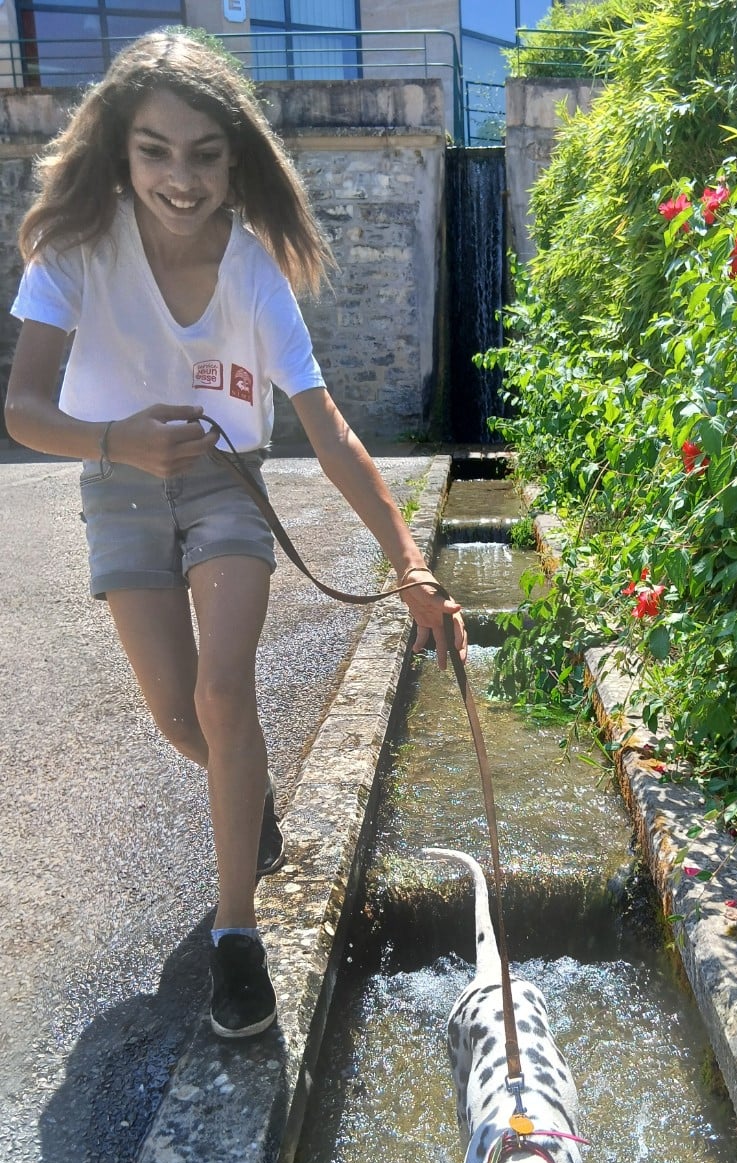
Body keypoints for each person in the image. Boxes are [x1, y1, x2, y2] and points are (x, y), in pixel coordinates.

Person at [5, 27, 466, 1041]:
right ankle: (246, 803)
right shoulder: (77, 247)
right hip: (119, 486)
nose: (182, 176)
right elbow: (23, 410)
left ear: (236, 155)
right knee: (181, 716)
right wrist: (117, 438)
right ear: (120, 152)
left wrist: (413, 564)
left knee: (224, 690)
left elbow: (333, 431)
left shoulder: (255, 269)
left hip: (227, 490)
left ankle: (236, 933)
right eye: (156, 150)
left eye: (206, 153)